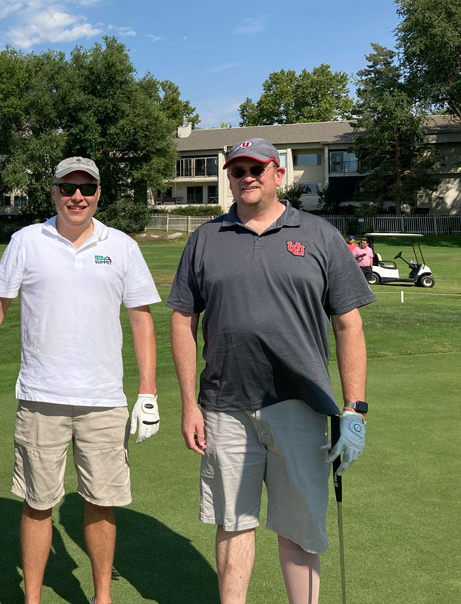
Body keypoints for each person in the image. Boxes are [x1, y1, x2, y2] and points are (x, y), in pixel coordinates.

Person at [167, 138, 374, 604]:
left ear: (278, 173)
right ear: (229, 177)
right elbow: (183, 319)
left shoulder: (319, 235)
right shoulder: (205, 239)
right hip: (224, 406)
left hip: (300, 405)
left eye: (256, 168)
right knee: (233, 525)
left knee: (299, 530)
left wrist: (355, 408)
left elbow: (348, 322)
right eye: (237, 170)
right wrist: (188, 404)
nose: (247, 177)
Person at [0, 156, 162, 604]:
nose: (76, 196)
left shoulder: (121, 246)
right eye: (68, 188)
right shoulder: (26, 241)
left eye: (86, 188)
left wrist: (148, 391)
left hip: (103, 399)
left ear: (99, 193)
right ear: (54, 192)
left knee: (101, 502)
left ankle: (101, 597)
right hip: (40, 397)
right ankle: (33, 598)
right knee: (38, 503)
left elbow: (141, 321)